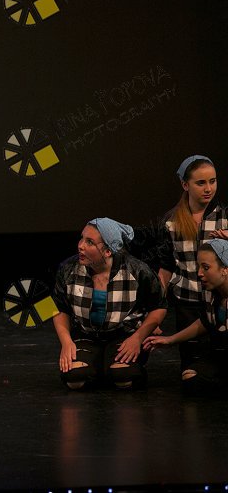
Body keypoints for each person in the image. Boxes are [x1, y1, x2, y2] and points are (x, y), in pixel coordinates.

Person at [51, 218, 167, 389]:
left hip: (124, 335)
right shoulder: (68, 269)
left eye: (90, 242)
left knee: (124, 377)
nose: (80, 246)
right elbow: (59, 308)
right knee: (75, 379)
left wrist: (137, 338)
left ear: (107, 251)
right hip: (85, 334)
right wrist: (66, 342)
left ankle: (108, 366)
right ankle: (98, 364)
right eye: (82, 238)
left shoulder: (138, 271)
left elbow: (158, 307)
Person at [157, 155, 228, 380]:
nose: (208, 189)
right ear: (185, 185)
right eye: (201, 183)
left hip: (219, 301)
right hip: (187, 300)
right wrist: (156, 312)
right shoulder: (171, 221)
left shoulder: (225, 217)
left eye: (212, 181)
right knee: (191, 372)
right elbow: (166, 267)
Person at [143, 239, 228, 393]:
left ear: (225, 269)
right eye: (199, 267)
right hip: (221, 354)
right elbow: (205, 322)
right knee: (190, 376)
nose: (200, 273)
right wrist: (170, 340)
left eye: (206, 267)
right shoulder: (211, 292)